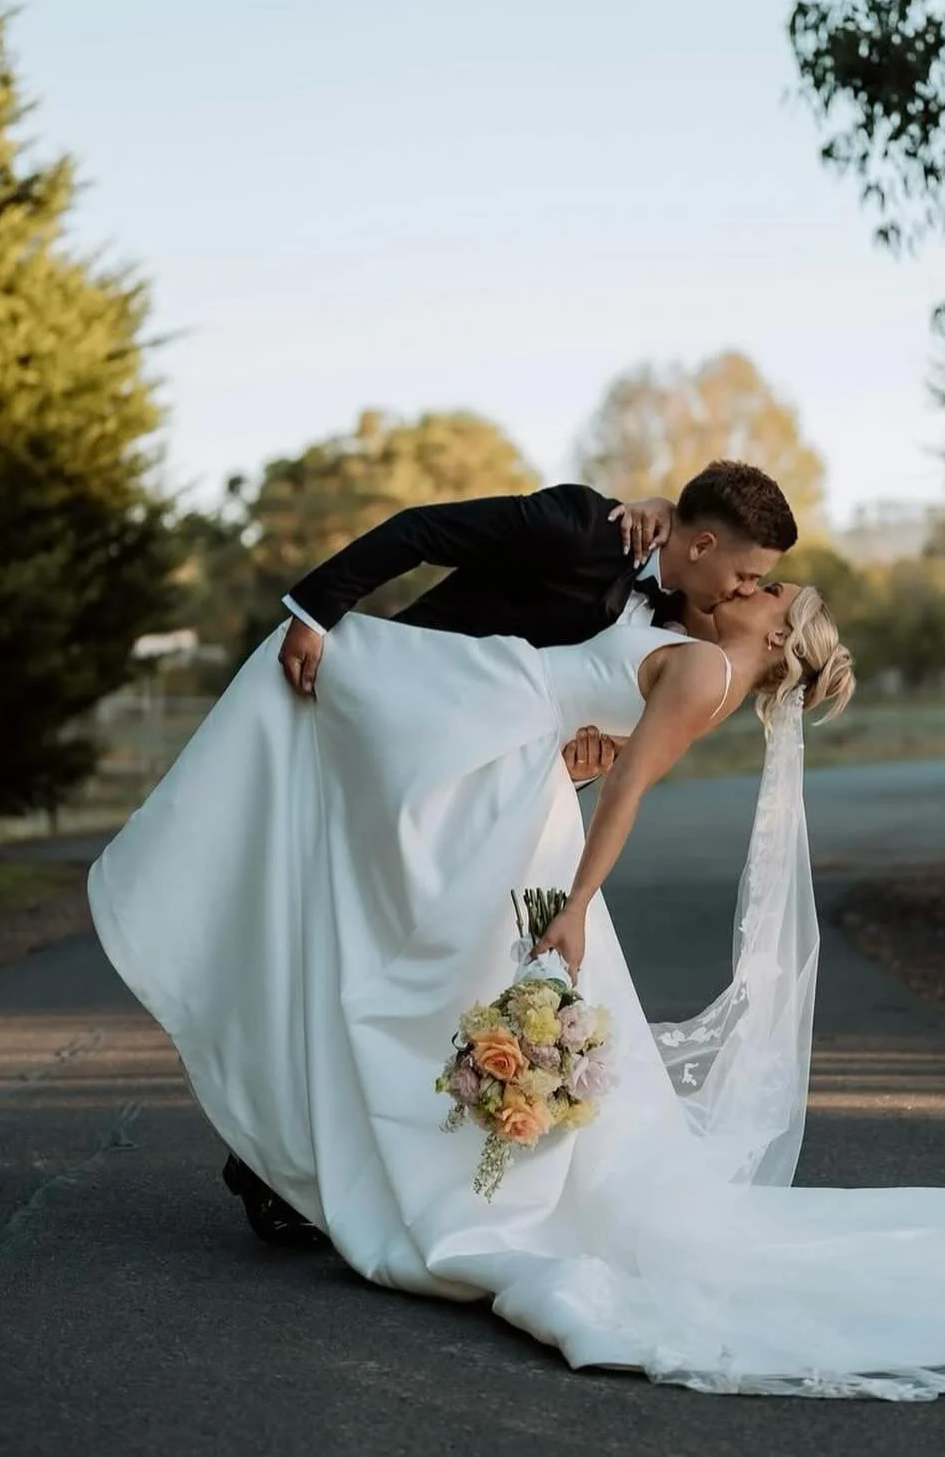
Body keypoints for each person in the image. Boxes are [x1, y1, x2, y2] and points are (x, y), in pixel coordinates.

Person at [87, 528, 945, 1397]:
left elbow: (629, 790)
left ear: (773, 630)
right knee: (454, 996)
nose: (747, 586)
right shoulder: (688, 642)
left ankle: (390, 1170)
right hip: (517, 797)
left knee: (461, 997)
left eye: (765, 589)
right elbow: (611, 720)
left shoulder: (703, 671)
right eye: (748, 572)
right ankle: (355, 1159)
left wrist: (576, 903)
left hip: (539, 844)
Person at [220, 459, 796, 1242]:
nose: (744, 589)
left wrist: (575, 764)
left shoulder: (676, 621)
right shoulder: (580, 526)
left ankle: (309, 1162)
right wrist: (315, 610)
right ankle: (285, 1154)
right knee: (373, 953)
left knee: (420, 970)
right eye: (746, 572)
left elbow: (595, 715)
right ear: (698, 542)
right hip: (405, 725)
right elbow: (420, 530)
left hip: (488, 794)